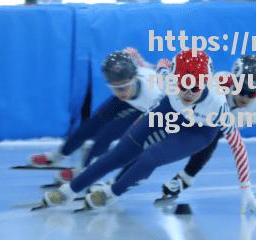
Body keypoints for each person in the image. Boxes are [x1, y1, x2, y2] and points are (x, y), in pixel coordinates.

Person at [42, 49, 256, 214]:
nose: (188, 93)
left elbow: (238, 147)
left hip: (200, 130)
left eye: (195, 88)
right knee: (120, 153)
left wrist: (246, 189)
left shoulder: (218, 106)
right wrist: (141, 61)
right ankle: (69, 190)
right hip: (169, 109)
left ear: (206, 83)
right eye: (183, 86)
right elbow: (161, 63)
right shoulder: (166, 79)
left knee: (150, 157)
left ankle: (111, 194)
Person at [26, 48, 164, 183]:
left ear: (134, 78)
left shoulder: (153, 95)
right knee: (93, 123)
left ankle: (85, 170)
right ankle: (58, 156)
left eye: (123, 87)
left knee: (109, 133)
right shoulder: (130, 74)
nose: (120, 92)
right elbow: (140, 64)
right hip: (137, 96)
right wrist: (138, 59)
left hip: (149, 110)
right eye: (115, 88)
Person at [157, 54, 256, 202]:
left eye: (252, 93)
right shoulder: (218, 83)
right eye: (241, 90)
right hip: (194, 110)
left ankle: (185, 178)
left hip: (214, 122)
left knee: (213, 135)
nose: (245, 97)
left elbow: (231, 138)